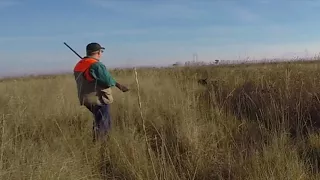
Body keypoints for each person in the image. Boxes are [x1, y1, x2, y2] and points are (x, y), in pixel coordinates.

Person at [73, 42, 129, 142]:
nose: (101, 54)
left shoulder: (80, 64)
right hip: (98, 98)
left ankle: (99, 141)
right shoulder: (96, 65)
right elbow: (107, 81)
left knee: (98, 120)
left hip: (86, 99)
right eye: (101, 51)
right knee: (103, 123)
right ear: (98, 52)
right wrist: (119, 86)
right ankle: (101, 146)